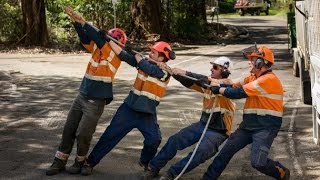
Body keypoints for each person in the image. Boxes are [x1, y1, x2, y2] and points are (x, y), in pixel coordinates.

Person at [45, 6, 127, 176]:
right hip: (82, 95)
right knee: (69, 129)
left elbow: (98, 37)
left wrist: (83, 20)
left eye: (110, 39)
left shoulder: (115, 56)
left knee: (83, 133)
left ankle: (80, 161)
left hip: (96, 101)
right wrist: (76, 21)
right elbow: (85, 37)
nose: (107, 40)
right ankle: (59, 161)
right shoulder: (98, 48)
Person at [80, 39, 176, 176]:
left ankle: (145, 162)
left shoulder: (165, 72)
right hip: (129, 109)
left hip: (147, 114)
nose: (150, 54)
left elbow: (149, 69)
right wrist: (108, 40)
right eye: (150, 51)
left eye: (153, 53)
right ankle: (90, 162)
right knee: (110, 135)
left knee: (154, 139)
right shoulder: (145, 63)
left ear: (162, 57)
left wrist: (138, 58)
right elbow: (123, 55)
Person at [141, 57, 236, 180]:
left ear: (225, 71)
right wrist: (171, 71)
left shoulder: (228, 85)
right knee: (175, 140)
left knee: (199, 153)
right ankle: (153, 168)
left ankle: (171, 174)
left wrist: (184, 72)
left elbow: (205, 80)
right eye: (212, 66)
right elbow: (190, 82)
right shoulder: (208, 84)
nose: (211, 69)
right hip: (203, 124)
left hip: (218, 132)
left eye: (215, 67)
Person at [203, 46, 290, 180]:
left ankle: (282, 172)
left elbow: (238, 93)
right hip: (248, 126)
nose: (250, 62)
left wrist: (219, 90)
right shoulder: (252, 77)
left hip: (265, 127)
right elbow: (233, 86)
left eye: (253, 60)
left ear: (261, 63)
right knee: (225, 153)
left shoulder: (267, 80)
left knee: (258, 163)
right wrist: (218, 85)